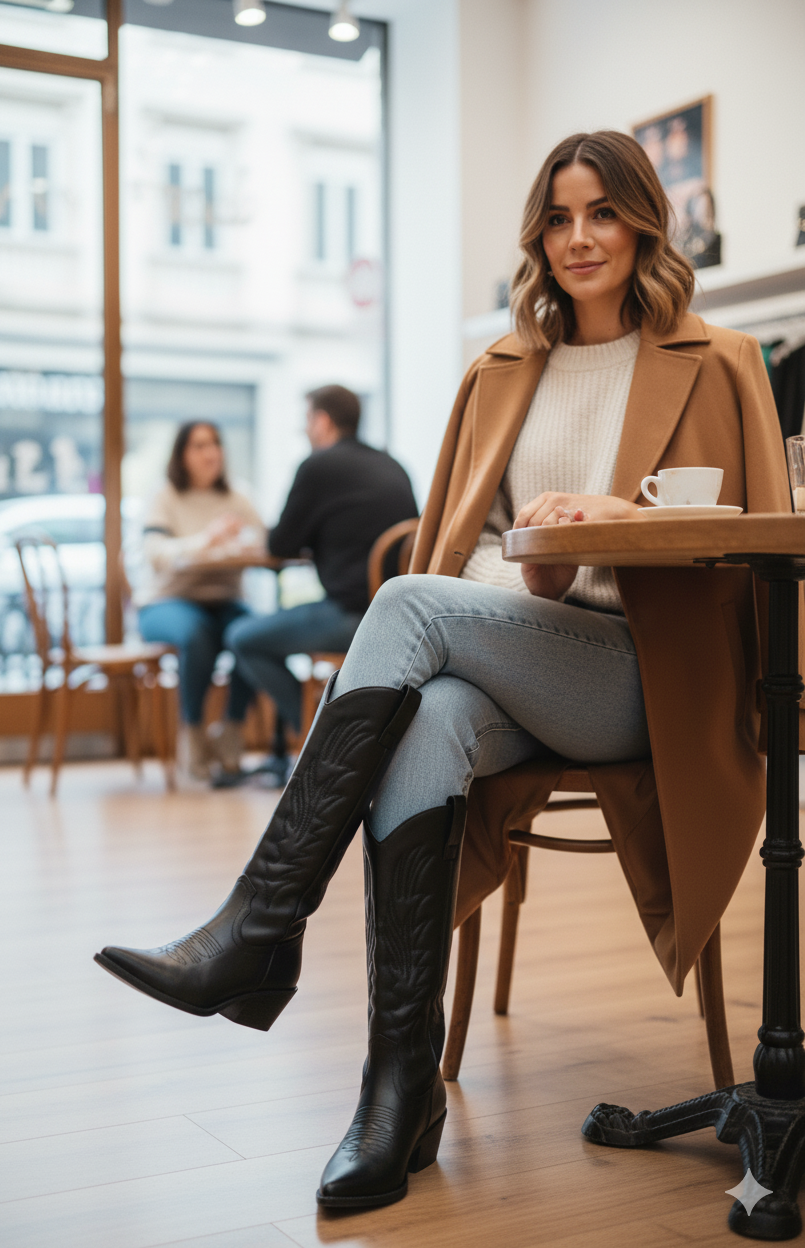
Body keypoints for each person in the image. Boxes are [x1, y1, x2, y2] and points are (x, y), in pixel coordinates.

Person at [96, 132, 791, 1210]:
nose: (578, 238)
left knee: (404, 603)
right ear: (537, 238)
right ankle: (397, 1087)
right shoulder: (500, 370)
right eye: (556, 218)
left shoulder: (724, 359)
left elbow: (763, 544)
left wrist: (623, 521)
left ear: (645, 222)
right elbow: (469, 552)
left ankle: (259, 927)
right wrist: (536, 578)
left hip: (644, 680)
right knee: (429, 719)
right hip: (522, 652)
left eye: (602, 212)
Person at [223, 384, 417, 742]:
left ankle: (322, 739)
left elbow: (281, 544)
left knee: (242, 637)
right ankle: (327, 736)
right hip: (398, 617)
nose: (305, 429)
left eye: (307, 419)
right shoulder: (394, 465)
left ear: (322, 421)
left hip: (351, 616)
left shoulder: (318, 466)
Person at [137, 421, 265, 780]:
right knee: (197, 634)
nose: (211, 453)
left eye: (215, 444)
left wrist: (241, 544)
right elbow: (156, 553)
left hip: (224, 599)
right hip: (166, 600)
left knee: (254, 635)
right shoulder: (164, 496)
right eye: (200, 445)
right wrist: (208, 538)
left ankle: (231, 730)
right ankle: (191, 732)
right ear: (182, 455)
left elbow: (264, 541)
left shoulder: (238, 496)